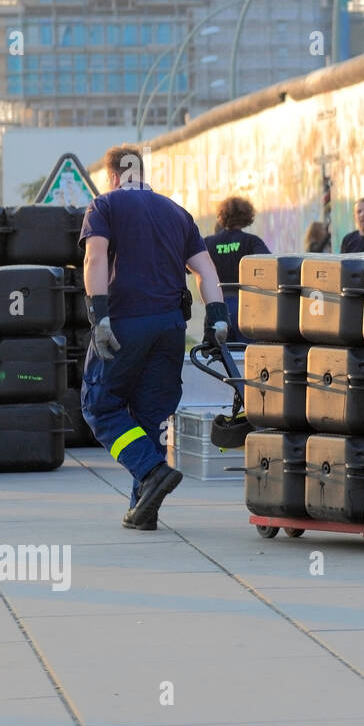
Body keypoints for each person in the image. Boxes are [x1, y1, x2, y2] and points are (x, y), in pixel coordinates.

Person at [80, 144, 230, 532]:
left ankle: (150, 470)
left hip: (126, 323)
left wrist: (99, 317)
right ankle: (144, 509)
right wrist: (217, 319)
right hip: (170, 328)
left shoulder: (104, 206)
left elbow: (94, 259)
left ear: (113, 176)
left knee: (100, 405)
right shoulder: (177, 213)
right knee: (150, 414)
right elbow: (205, 272)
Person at [204, 195, 270, 344]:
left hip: (216, 307)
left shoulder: (208, 243)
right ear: (247, 216)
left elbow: (190, 268)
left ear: (222, 216)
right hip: (245, 306)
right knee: (246, 356)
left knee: (218, 357)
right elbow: (268, 266)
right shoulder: (252, 241)